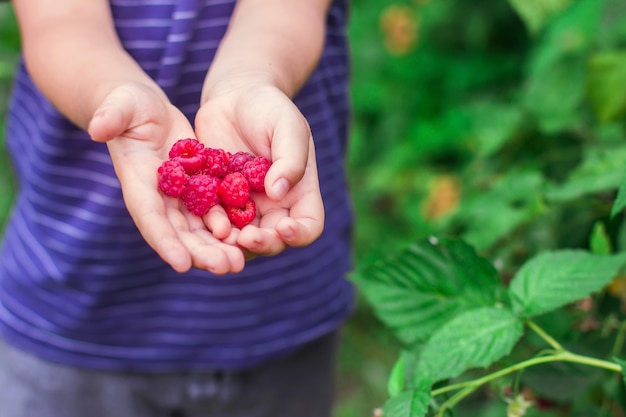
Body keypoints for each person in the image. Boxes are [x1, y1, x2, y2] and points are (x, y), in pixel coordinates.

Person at [0, 0, 355, 416]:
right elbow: (60, 20)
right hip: (77, 305)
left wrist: (250, 78)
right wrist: (111, 92)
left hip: (281, 310)